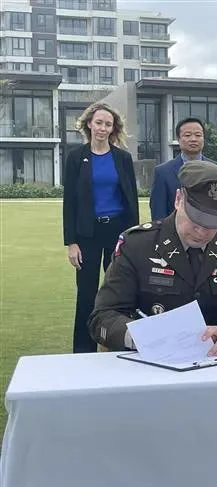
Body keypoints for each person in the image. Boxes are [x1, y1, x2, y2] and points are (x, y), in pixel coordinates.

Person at [89, 160, 217, 355]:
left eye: (212, 223)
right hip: (152, 365)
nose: (201, 231)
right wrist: (145, 337)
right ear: (179, 199)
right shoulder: (137, 245)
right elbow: (103, 317)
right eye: (195, 219)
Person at [63, 102, 139, 353]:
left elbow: (131, 199)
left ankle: (118, 344)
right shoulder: (76, 157)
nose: (103, 128)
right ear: (88, 124)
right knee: (86, 293)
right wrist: (71, 242)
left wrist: (133, 237)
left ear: (113, 128)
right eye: (98, 123)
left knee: (118, 292)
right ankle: (83, 351)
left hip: (117, 231)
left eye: (108, 124)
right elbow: (70, 203)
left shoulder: (123, 158)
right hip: (87, 234)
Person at [149, 117, 217, 225]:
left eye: (198, 135)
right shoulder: (163, 172)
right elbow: (158, 213)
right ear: (178, 139)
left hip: (211, 234)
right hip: (175, 235)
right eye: (187, 135)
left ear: (204, 138)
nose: (193, 139)